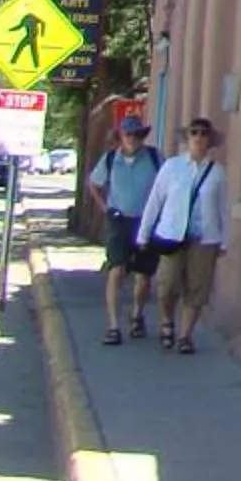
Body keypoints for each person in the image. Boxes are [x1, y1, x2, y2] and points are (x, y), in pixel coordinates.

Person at [137, 117, 230, 355]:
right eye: (194, 133)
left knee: (197, 288)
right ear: (187, 139)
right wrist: (144, 233)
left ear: (209, 141)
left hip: (204, 237)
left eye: (203, 134)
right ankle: (167, 320)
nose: (198, 138)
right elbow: (155, 200)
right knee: (167, 285)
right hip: (171, 235)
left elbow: (223, 209)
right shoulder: (172, 167)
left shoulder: (217, 173)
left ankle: (185, 335)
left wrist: (224, 240)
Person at [87, 115, 163, 345]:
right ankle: (113, 325)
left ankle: (137, 314)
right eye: (128, 134)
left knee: (143, 275)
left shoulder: (154, 157)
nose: (132, 138)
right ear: (120, 136)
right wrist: (105, 208)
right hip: (119, 221)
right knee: (116, 270)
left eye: (137, 134)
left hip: (146, 221)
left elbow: (168, 185)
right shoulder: (110, 159)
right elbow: (94, 184)